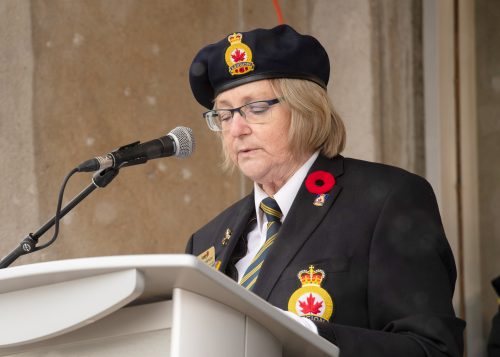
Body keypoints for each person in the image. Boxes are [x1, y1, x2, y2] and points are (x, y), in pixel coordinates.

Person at [186, 24, 465, 356]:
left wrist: (312, 336)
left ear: (307, 110)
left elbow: (433, 349)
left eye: (256, 109)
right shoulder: (206, 241)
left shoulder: (387, 199)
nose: (237, 129)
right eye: (224, 114)